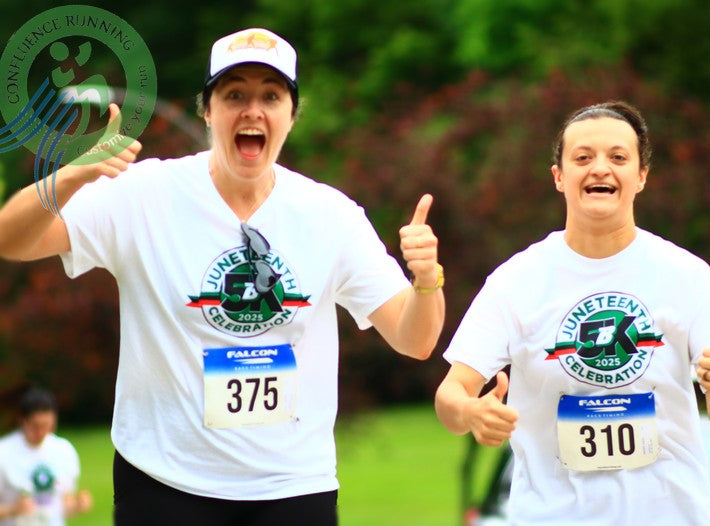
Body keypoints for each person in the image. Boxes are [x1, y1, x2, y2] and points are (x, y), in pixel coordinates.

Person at [0, 27, 444, 525]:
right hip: (164, 482)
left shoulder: (330, 215)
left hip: (293, 487)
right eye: (234, 95)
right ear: (207, 111)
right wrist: (72, 175)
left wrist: (427, 280)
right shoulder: (143, 194)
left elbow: (416, 339)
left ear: (291, 115)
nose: (253, 111)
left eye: (271, 97)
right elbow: (10, 239)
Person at [434, 101, 710, 525]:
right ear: (559, 176)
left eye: (618, 157)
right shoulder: (515, 280)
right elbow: (451, 394)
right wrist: (470, 413)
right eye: (583, 158)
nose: (600, 169)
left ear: (641, 176)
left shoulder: (687, 276)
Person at [0, 387, 92, 525]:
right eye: (35, 426)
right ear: (23, 421)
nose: (41, 432)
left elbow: (63, 504)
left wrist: (78, 505)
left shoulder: (64, 450)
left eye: (47, 425)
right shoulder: (4, 452)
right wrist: (13, 509)